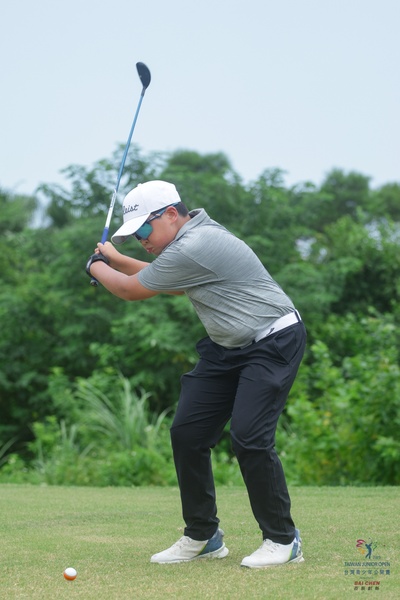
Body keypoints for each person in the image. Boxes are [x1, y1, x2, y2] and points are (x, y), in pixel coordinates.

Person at [86, 180, 306, 568]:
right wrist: (114, 260)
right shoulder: (187, 243)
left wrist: (95, 266)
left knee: (249, 438)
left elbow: (132, 290)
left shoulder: (197, 244)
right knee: (188, 433)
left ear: (171, 214)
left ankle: (283, 540)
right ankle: (203, 536)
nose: (141, 239)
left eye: (144, 228)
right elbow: (170, 284)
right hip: (228, 347)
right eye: (134, 235)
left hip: (272, 341)